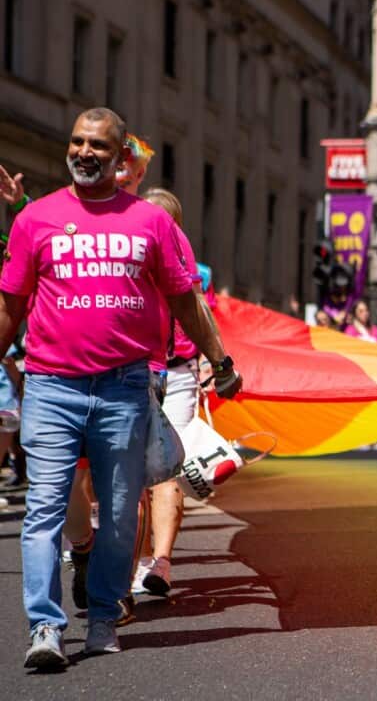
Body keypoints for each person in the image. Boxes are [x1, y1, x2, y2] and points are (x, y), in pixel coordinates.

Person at [1, 108, 242, 668]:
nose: (85, 152)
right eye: (78, 142)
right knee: (45, 507)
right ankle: (44, 626)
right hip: (50, 386)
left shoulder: (150, 222)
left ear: (119, 158)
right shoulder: (35, 219)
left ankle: (105, 614)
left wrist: (220, 359)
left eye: (99, 146)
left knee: (116, 514)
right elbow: (10, 306)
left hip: (125, 389)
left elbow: (186, 300)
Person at [130, 187, 217, 600]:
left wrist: (212, 362)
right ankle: (146, 560)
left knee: (162, 469)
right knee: (143, 472)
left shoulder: (192, 270)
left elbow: (201, 316)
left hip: (175, 373)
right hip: (138, 371)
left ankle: (156, 562)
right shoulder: (126, 265)